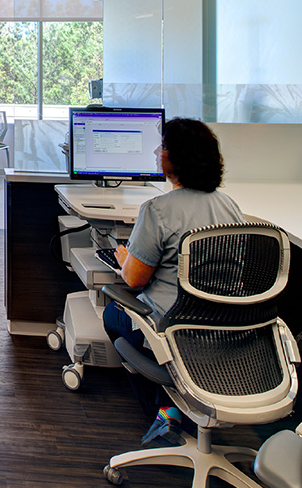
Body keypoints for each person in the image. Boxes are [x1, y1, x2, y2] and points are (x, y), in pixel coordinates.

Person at [102, 116, 246, 448]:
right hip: (225, 334)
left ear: (177, 158)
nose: (156, 150)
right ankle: (179, 407)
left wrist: (124, 258)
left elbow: (135, 280)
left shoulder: (158, 210)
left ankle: (166, 410)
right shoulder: (230, 207)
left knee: (113, 314)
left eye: (163, 146)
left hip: (173, 332)